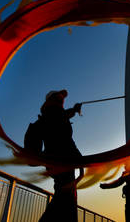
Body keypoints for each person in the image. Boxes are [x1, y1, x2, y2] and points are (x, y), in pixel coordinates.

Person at [38, 89, 84, 222]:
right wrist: (74, 110)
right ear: (51, 99)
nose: (62, 98)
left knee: (66, 195)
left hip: (65, 163)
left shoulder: (56, 114)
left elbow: (68, 140)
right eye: (59, 96)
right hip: (61, 163)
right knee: (65, 197)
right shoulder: (52, 114)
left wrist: (80, 158)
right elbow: (62, 117)